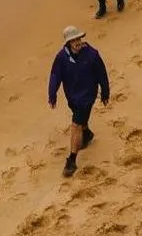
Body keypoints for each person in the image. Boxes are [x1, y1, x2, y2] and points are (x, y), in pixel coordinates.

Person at [47, 25, 110, 178]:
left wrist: (105, 92)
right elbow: (55, 75)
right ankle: (87, 134)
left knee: (75, 126)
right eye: (73, 40)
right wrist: (52, 94)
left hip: (87, 96)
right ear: (68, 43)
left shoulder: (92, 55)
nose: (77, 42)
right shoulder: (62, 57)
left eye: (78, 39)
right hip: (72, 97)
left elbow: (102, 73)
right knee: (80, 121)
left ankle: (72, 160)